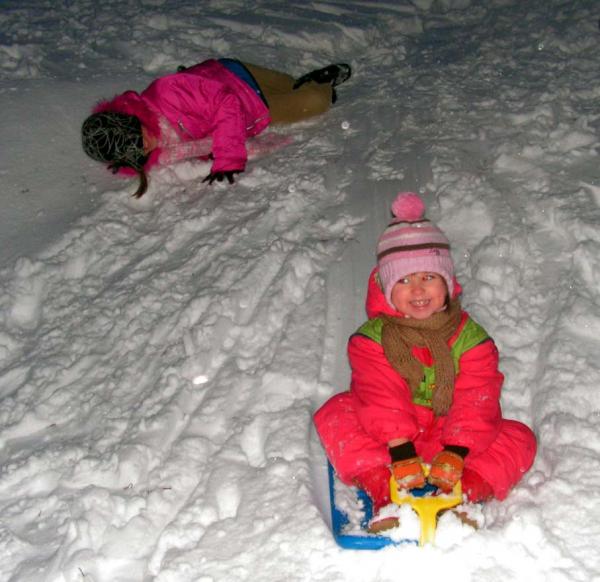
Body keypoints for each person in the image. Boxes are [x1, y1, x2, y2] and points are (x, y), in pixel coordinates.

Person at [314, 192, 537, 532]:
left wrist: (457, 451)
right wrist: (401, 450)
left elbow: (477, 395)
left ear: (447, 284)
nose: (417, 290)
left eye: (428, 278)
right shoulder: (371, 339)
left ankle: (463, 499)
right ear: (387, 289)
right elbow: (379, 394)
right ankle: (384, 494)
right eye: (403, 280)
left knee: (519, 438)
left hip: (451, 435)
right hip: (390, 442)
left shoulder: (471, 337)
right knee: (337, 413)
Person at [81, 59, 351, 197]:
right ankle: (316, 85)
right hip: (250, 106)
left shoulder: (166, 93)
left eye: (138, 139)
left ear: (132, 120)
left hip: (236, 75)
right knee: (306, 99)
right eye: (137, 152)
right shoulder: (157, 146)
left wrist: (228, 158)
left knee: (314, 99)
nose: (146, 147)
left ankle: (323, 85)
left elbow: (226, 101)